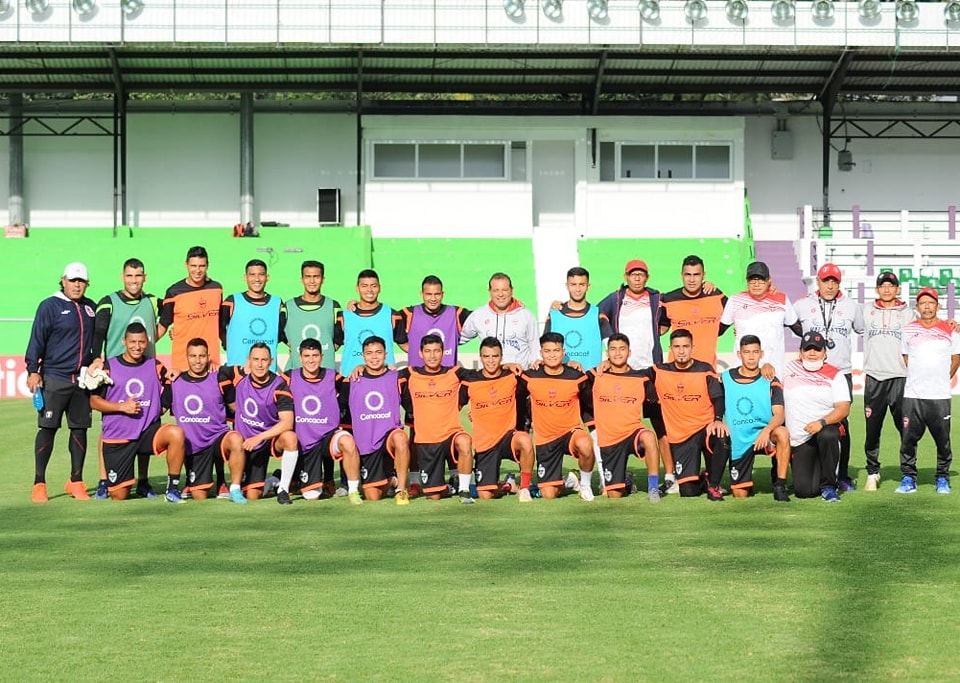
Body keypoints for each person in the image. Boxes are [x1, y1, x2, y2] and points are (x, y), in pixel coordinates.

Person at [597, 259, 677, 494]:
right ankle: (614, 474)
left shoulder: (656, 297)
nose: (637, 278)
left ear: (647, 277)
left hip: (651, 369)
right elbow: (598, 315)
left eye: (641, 274)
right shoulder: (615, 298)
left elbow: (666, 322)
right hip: (623, 374)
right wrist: (611, 342)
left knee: (660, 424)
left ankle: (670, 476)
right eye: (633, 275)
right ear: (626, 276)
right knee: (618, 423)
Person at [89, 323, 187, 503]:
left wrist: (161, 407)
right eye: (133, 342)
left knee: (176, 433)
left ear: (147, 342)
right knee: (119, 496)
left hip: (147, 433)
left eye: (141, 342)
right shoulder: (109, 366)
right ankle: (106, 482)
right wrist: (122, 407)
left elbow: (171, 383)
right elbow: (93, 401)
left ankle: (172, 489)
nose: (137, 346)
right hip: (120, 435)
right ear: (124, 341)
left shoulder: (155, 365)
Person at [25, 261, 98, 503]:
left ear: (87, 284)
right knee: (48, 429)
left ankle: (75, 481)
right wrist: (33, 370)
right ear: (63, 280)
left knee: (80, 430)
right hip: (54, 377)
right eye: (73, 280)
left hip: (81, 381)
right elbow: (37, 338)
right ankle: (39, 483)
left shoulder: (90, 307)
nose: (77, 285)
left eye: (81, 281)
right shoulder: (49, 305)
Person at [90, 257, 161, 500]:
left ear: (145, 277)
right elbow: (99, 331)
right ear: (123, 277)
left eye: (138, 275)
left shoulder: (152, 302)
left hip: (146, 372)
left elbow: (171, 318)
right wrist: (98, 358)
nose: (134, 280)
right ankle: (102, 479)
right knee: (107, 427)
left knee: (146, 423)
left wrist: (154, 338)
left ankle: (143, 480)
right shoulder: (108, 302)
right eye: (129, 276)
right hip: (116, 376)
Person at [793, 263, 864, 492]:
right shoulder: (802, 305)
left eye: (834, 281)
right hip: (809, 372)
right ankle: (803, 466)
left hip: (840, 373)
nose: (830, 285)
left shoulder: (851, 306)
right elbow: (782, 321)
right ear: (819, 282)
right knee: (803, 418)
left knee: (841, 426)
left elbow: (866, 329)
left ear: (839, 283)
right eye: (826, 281)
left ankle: (841, 475)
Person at [162, 337, 247, 504]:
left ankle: (235, 488)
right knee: (200, 496)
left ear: (209, 357)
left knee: (236, 439)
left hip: (218, 438)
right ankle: (195, 483)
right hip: (194, 445)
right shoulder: (174, 382)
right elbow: (159, 409)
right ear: (186, 357)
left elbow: (237, 408)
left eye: (202, 356)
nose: (198, 361)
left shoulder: (219, 379)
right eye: (193, 356)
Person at [894, 287, 960, 495]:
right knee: (908, 440)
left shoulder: (951, 329)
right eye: (923, 303)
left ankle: (942, 477)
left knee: (943, 440)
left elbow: (956, 358)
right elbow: (906, 357)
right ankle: (908, 478)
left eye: (931, 303)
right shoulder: (908, 329)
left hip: (939, 396)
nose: (927, 306)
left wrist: (941, 377)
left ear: (937, 306)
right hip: (913, 395)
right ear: (918, 307)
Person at [651, 329, 729, 501]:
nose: (681, 351)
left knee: (722, 436)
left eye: (685, 346)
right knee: (688, 492)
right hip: (682, 438)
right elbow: (631, 375)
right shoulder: (659, 371)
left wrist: (717, 420)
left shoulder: (705, 369)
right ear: (670, 348)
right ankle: (705, 478)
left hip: (705, 429)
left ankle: (714, 486)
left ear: (692, 347)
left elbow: (718, 398)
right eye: (677, 346)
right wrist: (606, 365)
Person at [518, 332, 596, 501]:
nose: (552, 355)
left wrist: (594, 427)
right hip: (545, 439)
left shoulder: (577, 376)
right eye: (547, 351)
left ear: (563, 352)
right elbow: (515, 399)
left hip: (570, 432)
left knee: (585, 444)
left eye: (556, 350)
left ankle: (586, 485)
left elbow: (590, 404)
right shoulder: (529, 376)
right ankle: (570, 480)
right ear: (541, 353)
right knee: (549, 494)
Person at [285, 338, 363, 504]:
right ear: (300, 357)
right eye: (307, 356)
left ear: (322, 356)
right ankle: (281, 478)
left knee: (348, 441)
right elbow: (268, 384)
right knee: (312, 496)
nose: (311, 360)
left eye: (315, 355)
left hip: (327, 438)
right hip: (303, 441)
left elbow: (357, 383)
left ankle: (353, 490)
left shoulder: (332, 377)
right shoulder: (289, 378)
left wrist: (360, 367)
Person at [398, 334, 475, 504]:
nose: (432, 355)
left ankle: (464, 490)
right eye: (428, 351)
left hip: (451, 435)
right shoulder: (409, 373)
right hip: (426, 440)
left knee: (464, 441)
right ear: (420, 353)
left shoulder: (454, 372)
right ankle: (449, 488)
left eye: (436, 351)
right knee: (433, 496)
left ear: (443, 353)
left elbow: (480, 377)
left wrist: (461, 402)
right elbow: (383, 379)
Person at [458, 336, 535, 502]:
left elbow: (541, 378)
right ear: (480, 357)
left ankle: (525, 488)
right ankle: (507, 485)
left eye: (495, 356)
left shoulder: (513, 376)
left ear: (501, 357)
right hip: (486, 444)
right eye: (486, 356)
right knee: (486, 495)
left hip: (508, 437)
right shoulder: (470, 380)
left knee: (525, 439)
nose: (491, 361)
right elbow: (453, 407)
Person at [338, 336, 412, 504]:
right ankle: (392, 480)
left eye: (378, 353)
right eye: (369, 353)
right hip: (367, 443)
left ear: (386, 354)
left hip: (389, 437)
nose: (374, 357)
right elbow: (341, 409)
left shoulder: (396, 377)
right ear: (363, 356)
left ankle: (401, 489)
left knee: (401, 437)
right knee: (373, 496)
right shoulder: (352, 380)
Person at [222, 342, 299, 503]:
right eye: (255, 359)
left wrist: (259, 438)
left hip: (267, 441)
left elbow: (287, 423)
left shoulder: (280, 386)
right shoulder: (238, 377)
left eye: (264, 360)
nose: (259, 364)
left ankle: (283, 489)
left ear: (271, 361)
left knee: (290, 437)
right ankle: (272, 480)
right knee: (252, 496)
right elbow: (209, 370)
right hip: (243, 444)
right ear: (248, 360)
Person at [589, 333, 661, 501]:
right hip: (610, 440)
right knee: (614, 495)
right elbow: (571, 377)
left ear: (630, 352)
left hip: (633, 433)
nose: (617, 353)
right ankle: (626, 481)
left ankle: (653, 488)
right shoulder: (596, 375)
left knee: (649, 437)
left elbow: (657, 403)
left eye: (622, 349)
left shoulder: (641, 377)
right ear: (607, 353)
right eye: (613, 349)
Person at [860, 271, 914, 491]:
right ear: (877, 289)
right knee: (872, 430)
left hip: (900, 378)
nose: (887, 289)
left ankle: (909, 474)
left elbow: (927, 327)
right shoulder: (866, 311)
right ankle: (873, 472)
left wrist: (951, 324)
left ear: (898, 288)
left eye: (891, 285)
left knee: (906, 430)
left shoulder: (909, 314)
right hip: (874, 378)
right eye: (883, 285)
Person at [781, 331, 851, 502]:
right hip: (800, 438)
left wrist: (822, 422)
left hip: (823, 431)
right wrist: (767, 366)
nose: (812, 353)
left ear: (824, 353)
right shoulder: (788, 369)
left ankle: (829, 485)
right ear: (801, 351)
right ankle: (821, 469)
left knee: (829, 434)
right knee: (804, 491)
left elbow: (843, 408)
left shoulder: (836, 375)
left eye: (817, 350)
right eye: (808, 349)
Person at [720, 335, 791, 502]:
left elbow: (779, 414)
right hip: (740, 440)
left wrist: (766, 431)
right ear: (739, 354)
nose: (751, 356)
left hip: (765, 436)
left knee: (782, 433)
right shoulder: (725, 378)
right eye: (746, 352)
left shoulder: (770, 380)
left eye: (755, 352)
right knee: (740, 495)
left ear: (762, 354)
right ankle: (741, 480)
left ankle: (780, 485)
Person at [720, 260, 803, 381]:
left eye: (761, 280)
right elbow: (718, 330)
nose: (756, 284)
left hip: (774, 373)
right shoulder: (735, 300)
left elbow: (798, 329)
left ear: (769, 280)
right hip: (742, 373)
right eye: (752, 280)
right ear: (747, 281)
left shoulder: (782, 299)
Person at [157, 246, 223, 371]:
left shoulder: (216, 289)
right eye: (193, 266)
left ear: (207, 266)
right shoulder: (174, 293)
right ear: (186, 265)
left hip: (211, 365)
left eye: (202, 266)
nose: (197, 270)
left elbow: (220, 326)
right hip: (182, 366)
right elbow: (162, 326)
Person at [658, 255, 728, 368]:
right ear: (681, 275)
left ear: (703, 275)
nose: (691, 280)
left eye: (696, 275)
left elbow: (735, 312)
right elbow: (662, 327)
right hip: (676, 369)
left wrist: (718, 330)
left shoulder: (716, 296)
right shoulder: (668, 299)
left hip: (707, 369)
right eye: (687, 275)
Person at [460, 272, 540, 369]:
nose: (500, 294)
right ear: (489, 292)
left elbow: (535, 346)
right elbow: (458, 339)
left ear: (512, 290)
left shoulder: (526, 316)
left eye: (504, 290)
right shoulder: (479, 315)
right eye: (496, 290)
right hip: (491, 379)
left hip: (519, 378)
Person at [335, 269, 405, 377]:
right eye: (364, 286)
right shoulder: (344, 316)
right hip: (351, 380)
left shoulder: (392, 315)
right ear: (357, 288)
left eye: (374, 286)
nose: (369, 290)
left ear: (380, 288)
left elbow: (405, 345)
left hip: (384, 379)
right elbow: (332, 347)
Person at [221, 259, 286, 371]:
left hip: (267, 374)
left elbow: (282, 333)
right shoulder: (232, 301)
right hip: (238, 373)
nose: (257, 279)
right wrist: (226, 343)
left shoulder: (277, 303)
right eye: (252, 275)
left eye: (261, 274)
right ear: (245, 278)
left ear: (267, 277)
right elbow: (219, 327)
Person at [544, 267, 613, 371]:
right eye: (573, 285)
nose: (577, 289)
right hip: (562, 379)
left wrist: (609, 361)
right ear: (567, 286)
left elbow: (612, 344)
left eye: (582, 284)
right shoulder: (554, 315)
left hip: (591, 379)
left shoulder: (598, 315)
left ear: (588, 286)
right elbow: (543, 347)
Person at [400, 275, 471, 368]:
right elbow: (389, 330)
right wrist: (411, 349)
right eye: (429, 294)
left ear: (442, 294)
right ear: (422, 294)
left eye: (437, 294)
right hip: (417, 378)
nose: (433, 299)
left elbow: (480, 319)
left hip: (447, 378)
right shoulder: (408, 314)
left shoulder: (456, 313)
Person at [283, 260, 341, 371]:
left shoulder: (334, 306)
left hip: (325, 373)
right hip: (296, 372)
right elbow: (279, 333)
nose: (312, 281)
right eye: (308, 276)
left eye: (316, 276)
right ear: (302, 280)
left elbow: (340, 336)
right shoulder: (288, 306)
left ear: (323, 279)